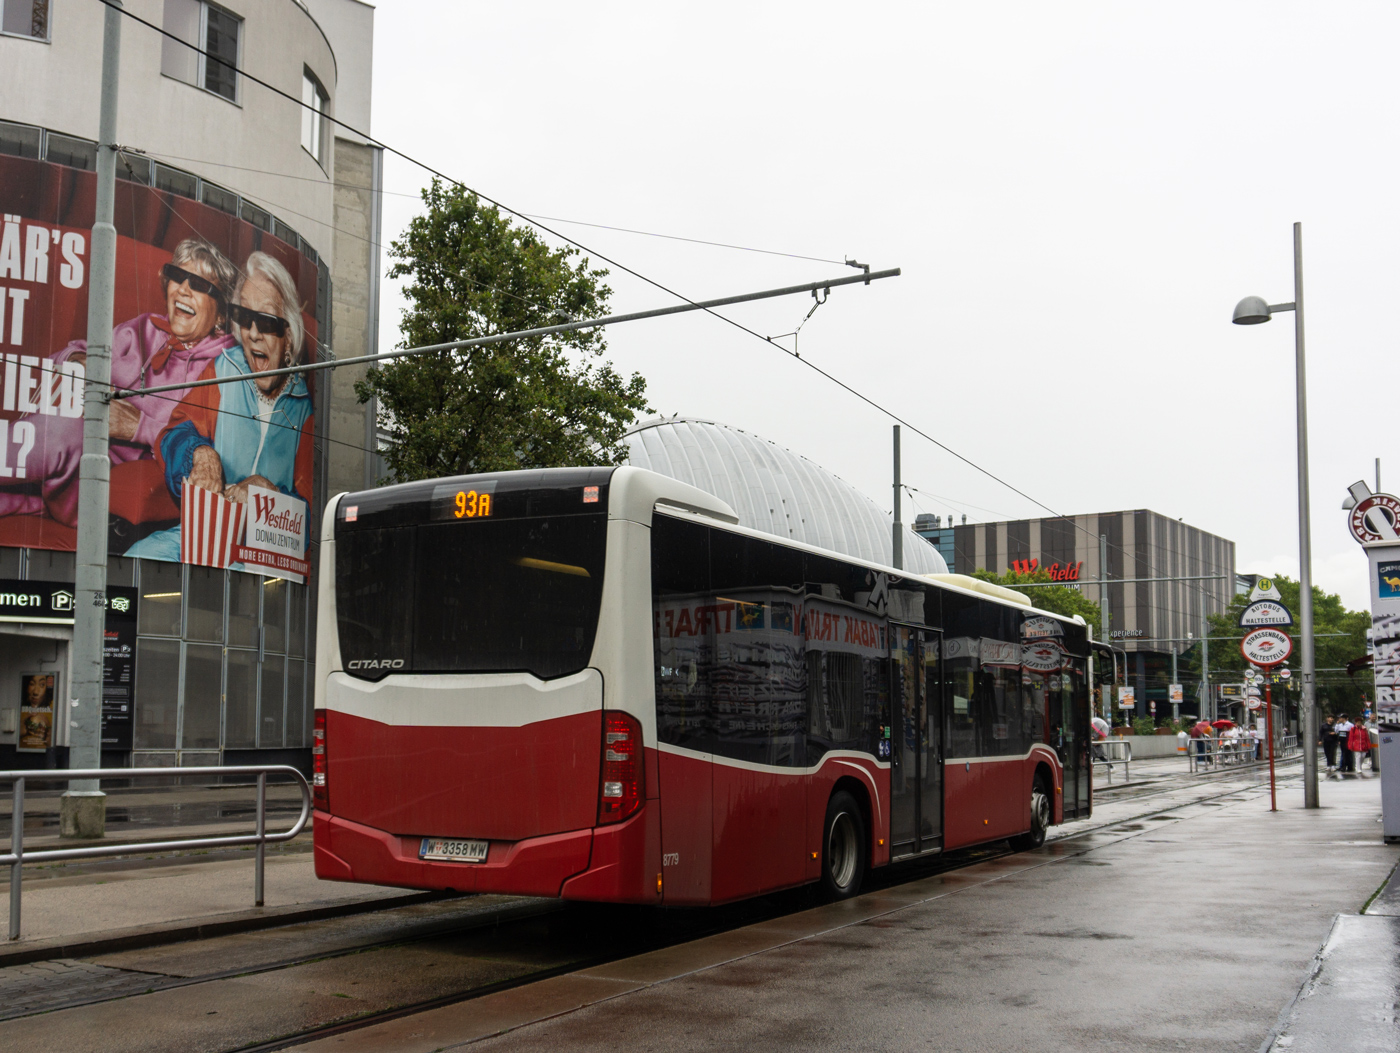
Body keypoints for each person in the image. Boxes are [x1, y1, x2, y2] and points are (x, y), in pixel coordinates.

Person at [0, 239, 238, 526]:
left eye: (199, 285)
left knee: (67, 430)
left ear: (222, 313)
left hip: (103, 486)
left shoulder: (225, 368)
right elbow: (63, 357)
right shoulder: (144, 328)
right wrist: (80, 362)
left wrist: (137, 426)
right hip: (62, 470)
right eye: (177, 277)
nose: (183, 289)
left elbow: (202, 450)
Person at [126, 252, 314, 560]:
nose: (253, 333)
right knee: (138, 559)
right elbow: (173, 435)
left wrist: (269, 496)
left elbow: (309, 521)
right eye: (244, 318)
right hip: (205, 534)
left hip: (265, 557)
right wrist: (201, 456)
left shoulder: (304, 410)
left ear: (289, 334)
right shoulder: (222, 370)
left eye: (266, 321)